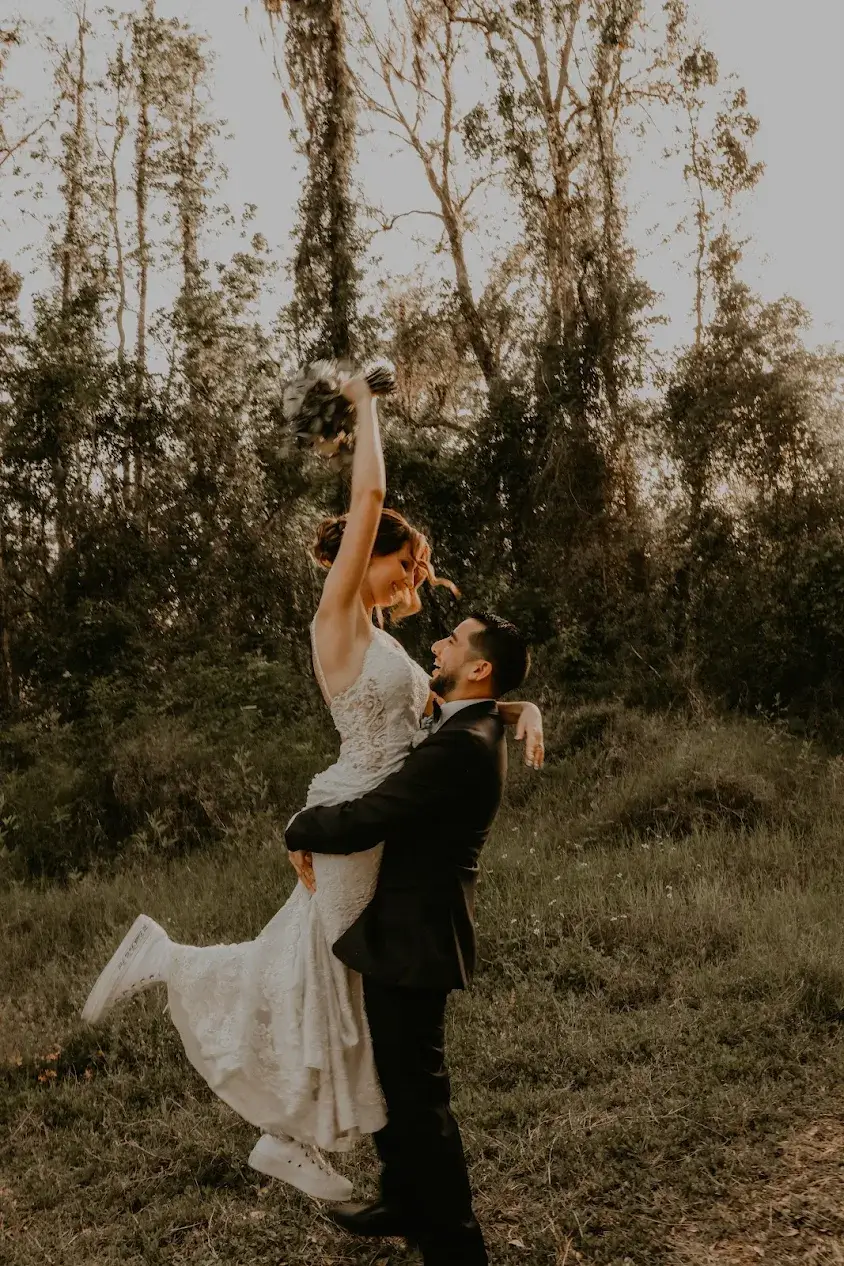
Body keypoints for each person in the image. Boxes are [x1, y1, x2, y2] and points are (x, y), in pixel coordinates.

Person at [79, 375, 544, 1205]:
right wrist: (367, 405)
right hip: (355, 813)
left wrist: (520, 706)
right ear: (367, 556)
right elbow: (370, 491)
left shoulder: (391, 648)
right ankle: (267, 1105)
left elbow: (452, 710)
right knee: (320, 973)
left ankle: (288, 1123)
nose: (414, 579)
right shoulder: (338, 621)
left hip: (370, 814)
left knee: (325, 973)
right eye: (405, 562)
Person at [286, 611, 529, 1265]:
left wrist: (300, 826)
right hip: (409, 928)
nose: (438, 644)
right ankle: (404, 1197)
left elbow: (377, 813)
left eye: (453, 640)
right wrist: (521, 709)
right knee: (397, 1077)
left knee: (420, 1098)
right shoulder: (469, 724)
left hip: (418, 935)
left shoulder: (461, 746)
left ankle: (456, 1245)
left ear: (478, 667)